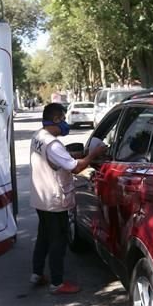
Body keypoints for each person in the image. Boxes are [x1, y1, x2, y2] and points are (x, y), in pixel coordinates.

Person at [29, 103, 106, 294]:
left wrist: (74, 155)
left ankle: (37, 274)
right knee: (57, 242)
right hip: (55, 200)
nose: (65, 123)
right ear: (55, 119)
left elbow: (56, 160)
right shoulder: (53, 144)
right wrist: (94, 155)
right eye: (63, 119)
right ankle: (57, 283)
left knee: (44, 237)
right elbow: (76, 168)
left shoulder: (39, 136)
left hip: (41, 198)